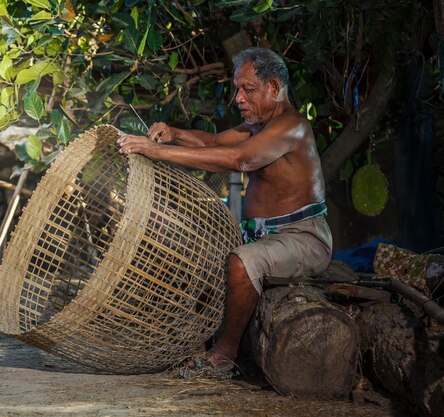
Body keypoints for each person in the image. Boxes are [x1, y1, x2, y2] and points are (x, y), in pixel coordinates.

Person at [117, 47, 332, 376]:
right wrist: (175, 134)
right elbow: (215, 143)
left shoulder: (292, 127)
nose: (238, 99)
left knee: (243, 261)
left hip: (304, 238)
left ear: (274, 88)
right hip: (264, 237)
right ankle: (194, 338)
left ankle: (225, 354)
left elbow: (238, 160)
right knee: (193, 250)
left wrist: (159, 152)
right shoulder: (259, 127)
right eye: (236, 89)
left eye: (248, 89)